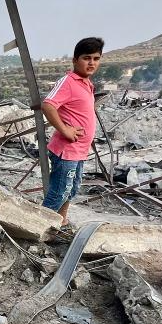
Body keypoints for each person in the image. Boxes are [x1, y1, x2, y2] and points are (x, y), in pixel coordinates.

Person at [40, 37, 102, 226]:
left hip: (79, 151)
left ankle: (61, 221)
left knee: (71, 190)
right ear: (75, 60)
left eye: (96, 58)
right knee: (59, 192)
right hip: (66, 151)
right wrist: (65, 130)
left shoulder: (86, 83)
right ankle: (40, 226)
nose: (91, 63)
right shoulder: (68, 81)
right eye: (86, 58)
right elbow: (48, 105)